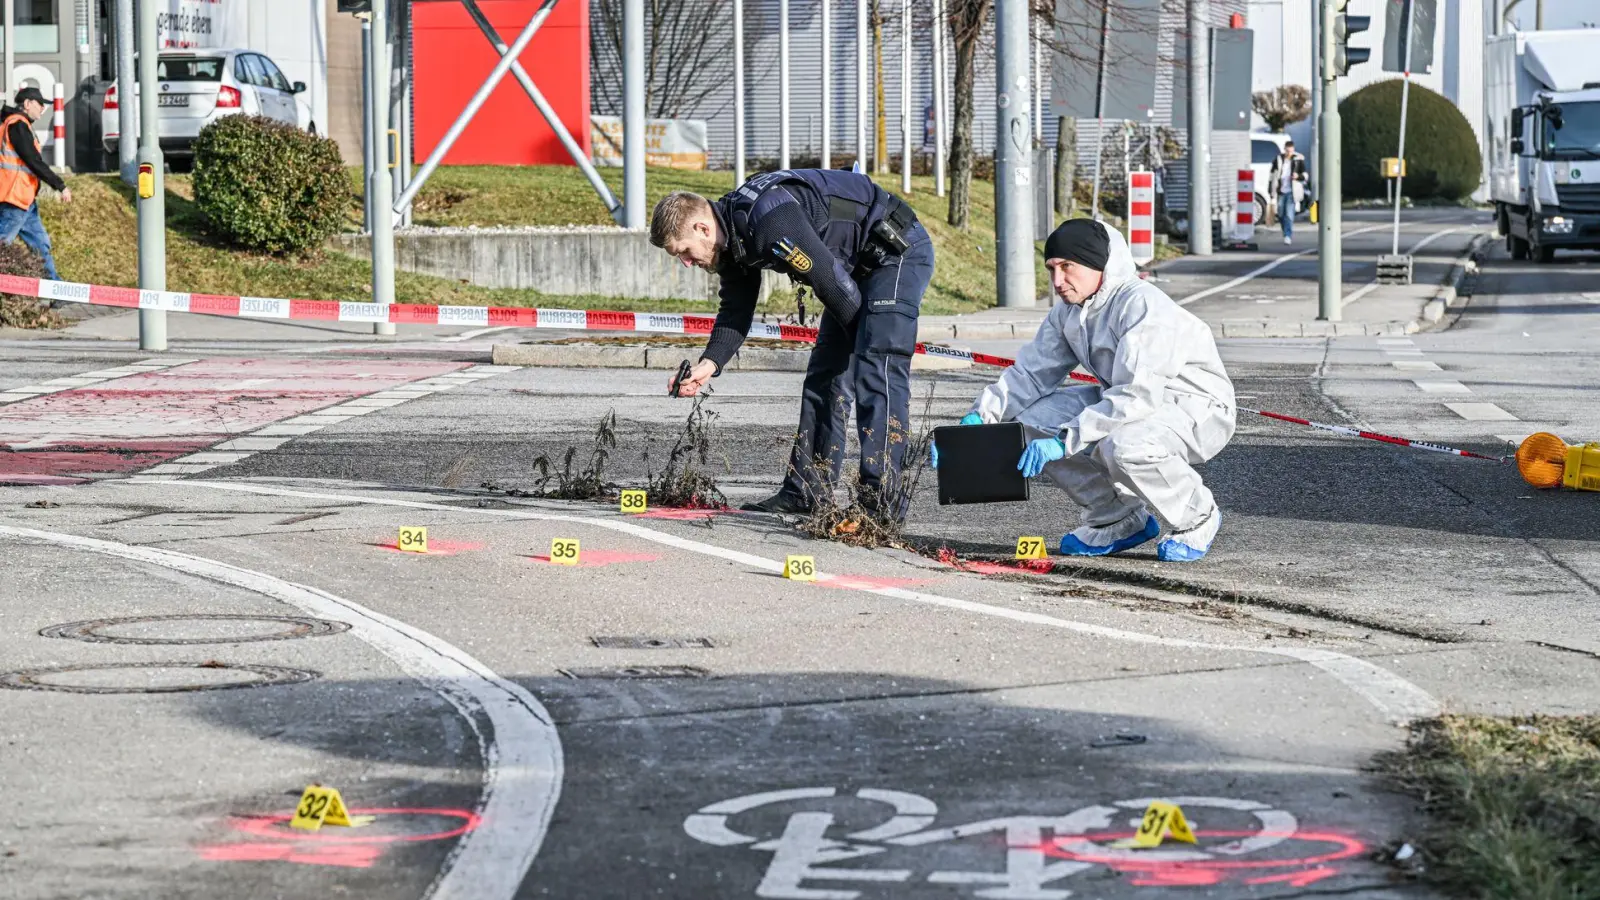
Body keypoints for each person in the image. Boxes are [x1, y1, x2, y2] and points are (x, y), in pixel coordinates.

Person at [942, 219, 1235, 562]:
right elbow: (1032, 373)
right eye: (1051, 268)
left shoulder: (1142, 306)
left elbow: (1138, 394)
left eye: (1067, 267)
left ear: (1098, 265)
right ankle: (1118, 517)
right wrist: (981, 417)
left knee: (1123, 446)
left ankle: (1197, 515)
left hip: (1195, 407)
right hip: (1126, 397)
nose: (1057, 281)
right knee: (1031, 422)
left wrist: (1066, 439)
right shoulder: (1069, 311)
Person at [649, 168, 933, 520]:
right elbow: (735, 311)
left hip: (896, 254)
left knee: (877, 368)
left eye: (685, 252)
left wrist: (876, 344)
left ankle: (880, 507)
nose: (687, 263)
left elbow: (831, 283)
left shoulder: (770, 220)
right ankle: (807, 491)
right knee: (826, 376)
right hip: (851, 269)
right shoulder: (735, 235)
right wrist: (708, 365)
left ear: (702, 229)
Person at [0, 87, 69, 279]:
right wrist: (59, 185)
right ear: (27, 104)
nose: (43, 109)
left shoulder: (15, 125)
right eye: (40, 104)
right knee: (2, 243)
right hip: (14, 199)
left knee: (40, 245)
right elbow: (33, 161)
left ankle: (56, 290)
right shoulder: (17, 126)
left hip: (25, 200)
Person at [1268, 139, 1307, 246]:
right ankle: (1285, 231)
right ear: (1284, 149)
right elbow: (1272, 175)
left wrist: (1298, 176)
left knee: (1289, 214)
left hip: (1292, 192)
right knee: (1280, 214)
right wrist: (1270, 191)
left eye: (1291, 151)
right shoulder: (1278, 159)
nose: (1289, 153)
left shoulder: (1298, 160)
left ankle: (1287, 236)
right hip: (1280, 191)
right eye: (1287, 151)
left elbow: (1305, 175)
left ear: (1293, 150)